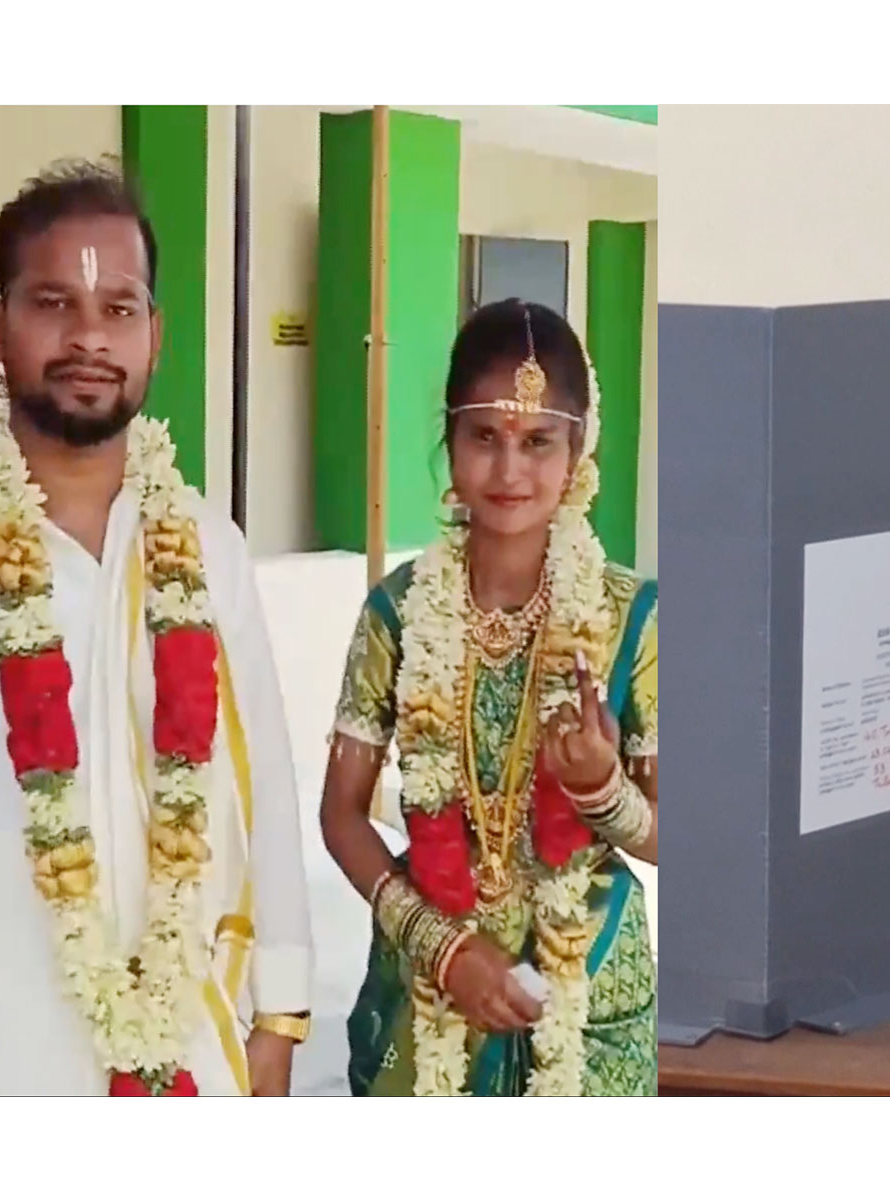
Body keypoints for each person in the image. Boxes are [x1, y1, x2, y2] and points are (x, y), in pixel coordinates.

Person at [0, 161, 313, 1096]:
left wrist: (279, 1010)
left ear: (155, 334)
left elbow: (264, 783)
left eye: (118, 308)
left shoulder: (208, 548)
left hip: (191, 1047)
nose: (88, 337)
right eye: (52, 302)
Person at [321, 299, 657, 1096]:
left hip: (591, 994)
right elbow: (341, 813)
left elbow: (674, 838)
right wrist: (438, 944)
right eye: (485, 439)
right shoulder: (398, 613)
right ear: (450, 440)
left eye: (539, 442)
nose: (510, 473)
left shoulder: (627, 619)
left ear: (579, 451)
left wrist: (602, 790)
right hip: (428, 988)